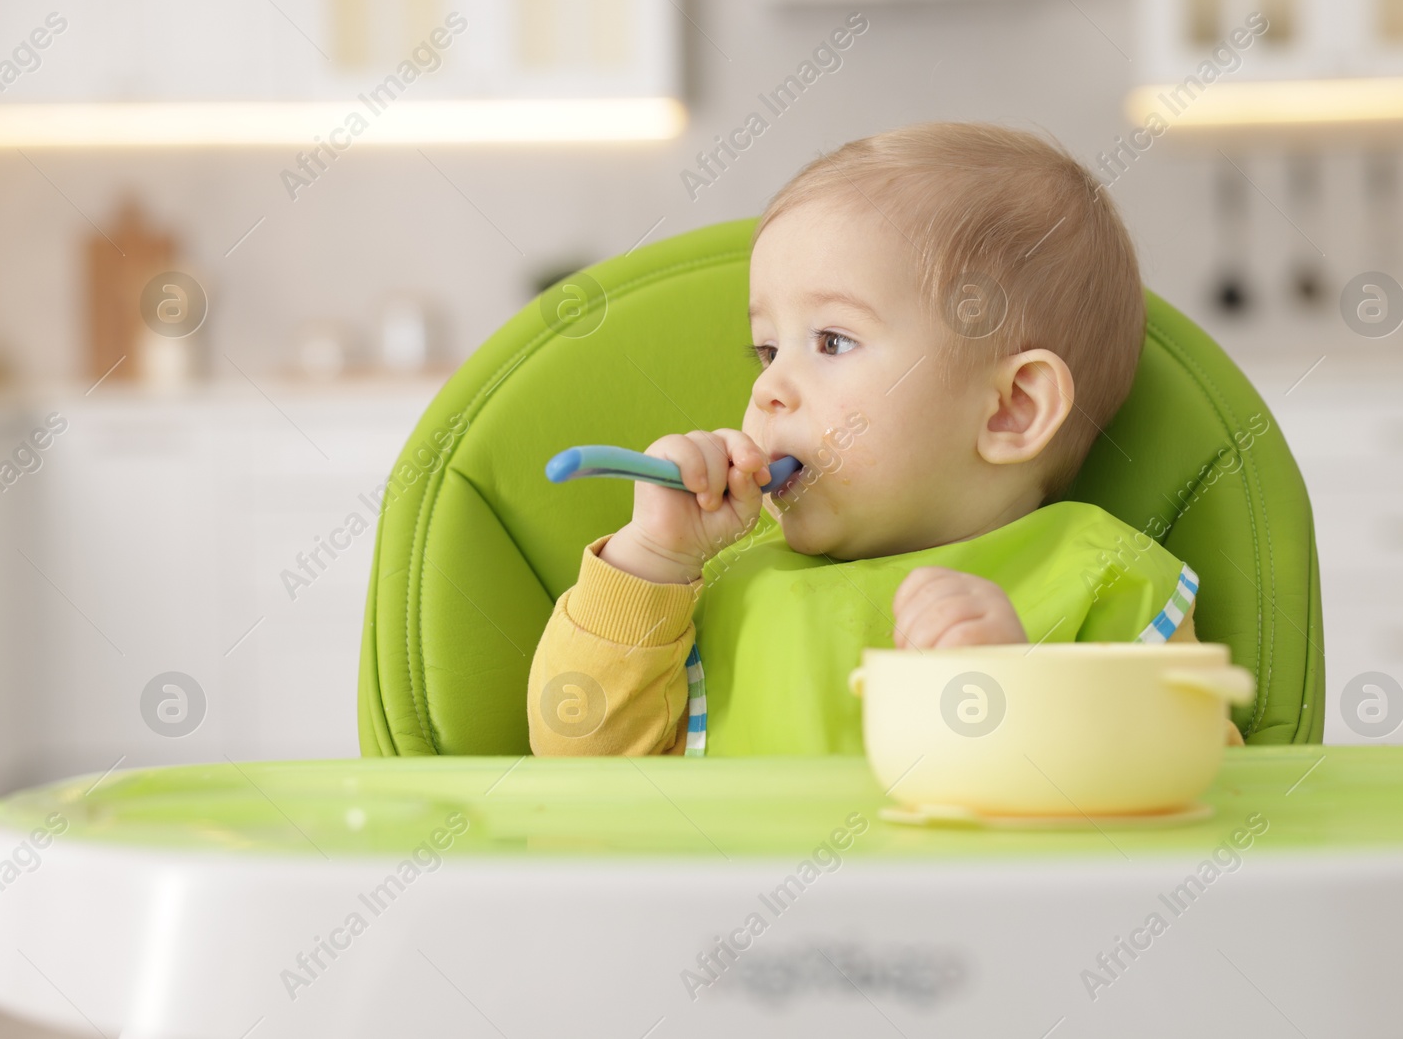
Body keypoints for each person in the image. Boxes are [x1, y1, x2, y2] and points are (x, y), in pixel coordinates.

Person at [527, 120, 1241, 756]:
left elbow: (1203, 776)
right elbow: (577, 756)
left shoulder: (1099, 575)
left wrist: (1026, 695)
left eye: (833, 340)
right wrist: (651, 558)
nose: (765, 389)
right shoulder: (715, 580)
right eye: (768, 350)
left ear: (1011, 410)